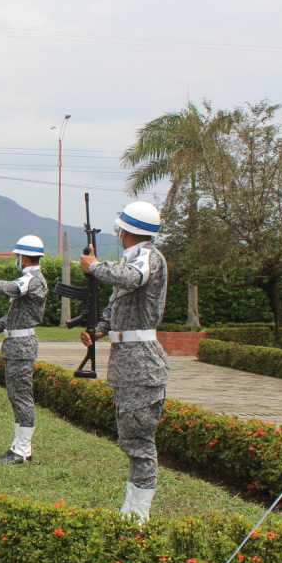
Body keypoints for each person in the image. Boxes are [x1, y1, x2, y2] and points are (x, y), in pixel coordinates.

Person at [78, 201, 170, 522]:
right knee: (130, 440)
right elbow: (115, 306)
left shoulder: (149, 258)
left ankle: (138, 518)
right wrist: (99, 330)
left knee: (140, 444)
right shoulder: (132, 259)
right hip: (128, 364)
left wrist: (95, 267)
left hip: (142, 365)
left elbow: (131, 279)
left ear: (126, 231)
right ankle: (129, 512)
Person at [0, 235, 48, 463]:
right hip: (15, 345)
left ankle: (23, 450)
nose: (17, 259)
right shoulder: (27, 279)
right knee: (15, 395)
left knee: (22, 396)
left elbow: (11, 289)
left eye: (18, 256)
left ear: (25, 257)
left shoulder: (33, 279)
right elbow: (12, 316)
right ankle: (18, 445)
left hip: (22, 346)